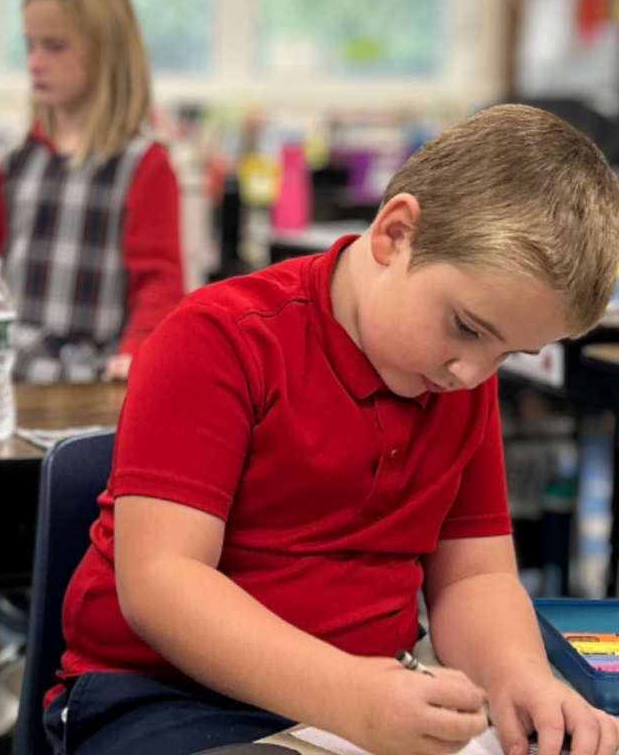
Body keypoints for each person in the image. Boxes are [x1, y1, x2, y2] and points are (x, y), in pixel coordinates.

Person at [45, 104, 619, 755]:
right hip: (164, 700)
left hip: (364, 702)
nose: (472, 371)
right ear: (396, 233)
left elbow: (472, 579)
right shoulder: (220, 340)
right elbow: (161, 583)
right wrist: (347, 693)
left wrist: (519, 677)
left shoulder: (456, 377)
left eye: (509, 354)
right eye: (467, 327)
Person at [0, 0, 184, 384]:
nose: (35, 62)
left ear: (106, 51)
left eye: (55, 46)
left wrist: (134, 352)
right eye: (29, 45)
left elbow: (159, 283)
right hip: (9, 376)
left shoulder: (144, 163)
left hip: (94, 378)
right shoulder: (15, 162)